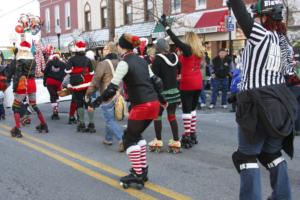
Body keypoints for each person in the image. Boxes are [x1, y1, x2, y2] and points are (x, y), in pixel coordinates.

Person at [228, 0, 297, 199]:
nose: (254, 20)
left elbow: (240, 13)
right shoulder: (284, 42)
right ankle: (282, 196)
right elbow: (289, 74)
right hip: (280, 104)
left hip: (256, 104)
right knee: (272, 154)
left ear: (264, 17)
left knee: (247, 157)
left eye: (257, 16)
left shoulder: (260, 35)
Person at [92, 33, 163, 189]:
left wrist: (98, 100)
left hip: (142, 106)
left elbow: (112, 88)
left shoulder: (125, 63)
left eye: (118, 45)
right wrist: (162, 99)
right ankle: (142, 171)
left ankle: (137, 174)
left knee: (128, 139)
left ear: (121, 46)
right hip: (153, 103)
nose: (117, 47)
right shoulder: (142, 60)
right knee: (136, 135)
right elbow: (157, 81)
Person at [160, 15, 204, 148]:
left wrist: (166, 26)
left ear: (188, 40)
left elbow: (175, 39)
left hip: (188, 83)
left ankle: (187, 134)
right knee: (192, 109)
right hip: (198, 82)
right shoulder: (199, 52)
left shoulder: (187, 50)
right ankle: (192, 133)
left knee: (186, 110)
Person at [85, 42, 124, 151]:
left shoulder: (103, 63)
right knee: (110, 117)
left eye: (105, 49)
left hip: (107, 94)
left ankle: (122, 138)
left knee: (109, 119)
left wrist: (88, 93)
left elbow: (95, 81)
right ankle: (108, 138)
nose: (103, 51)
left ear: (109, 50)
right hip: (118, 92)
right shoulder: (121, 62)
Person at [7, 41, 49, 137]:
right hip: (32, 83)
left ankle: (17, 129)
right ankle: (44, 124)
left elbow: (18, 75)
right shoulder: (33, 60)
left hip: (23, 84)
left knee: (15, 107)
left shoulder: (20, 60)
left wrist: (15, 88)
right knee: (34, 105)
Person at [148, 38, 181, 153]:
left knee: (157, 115)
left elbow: (154, 78)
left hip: (162, 92)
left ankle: (158, 140)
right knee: (172, 115)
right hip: (174, 91)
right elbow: (179, 73)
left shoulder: (157, 60)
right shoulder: (175, 58)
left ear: (158, 48)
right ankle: (176, 141)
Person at [66, 40, 95, 133]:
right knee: (88, 103)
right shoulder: (88, 60)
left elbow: (67, 70)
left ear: (76, 49)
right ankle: (91, 124)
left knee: (79, 103)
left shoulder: (72, 59)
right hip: (87, 84)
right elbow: (91, 72)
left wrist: (75, 71)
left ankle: (82, 124)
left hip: (77, 85)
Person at [43, 51, 66, 120]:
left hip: (50, 81)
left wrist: (44, 82)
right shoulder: (63, 64)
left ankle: (55, 111)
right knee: (57, 95)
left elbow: (45, 73)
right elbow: (66, 73)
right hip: (59, 82)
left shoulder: (49, 63)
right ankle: (56, 109)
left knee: (52, 96)